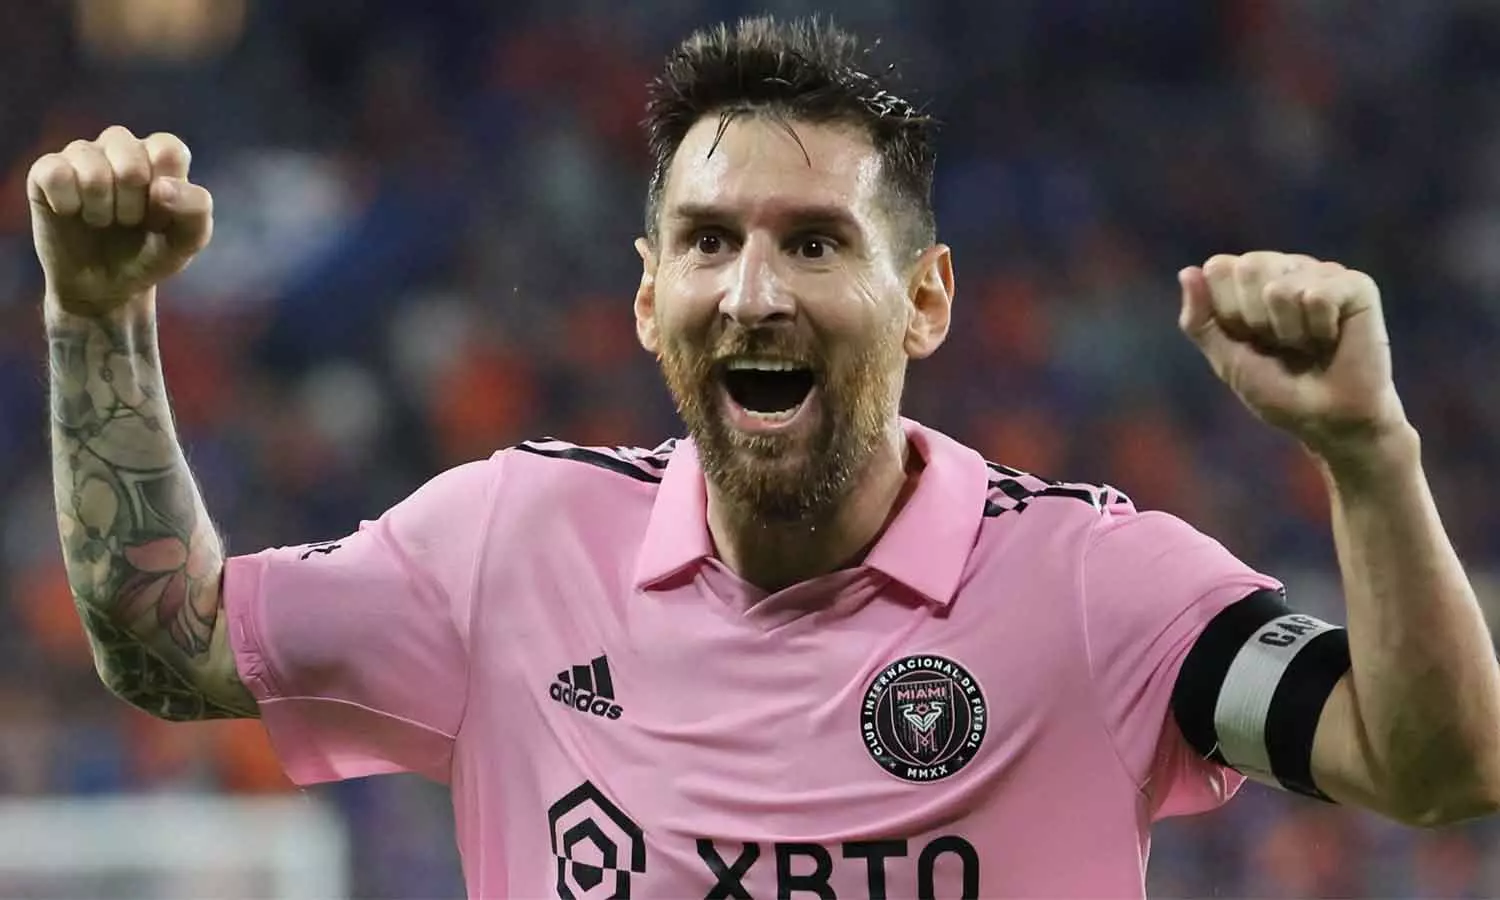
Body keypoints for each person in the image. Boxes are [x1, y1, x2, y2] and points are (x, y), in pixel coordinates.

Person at [31, 15, 1500, 899]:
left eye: (814, 243)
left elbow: (1438, 770)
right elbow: (169, 640)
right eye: (707, 242)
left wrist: (1369, 452)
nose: (752, 292)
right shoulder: (508, 550)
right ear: (645, 297)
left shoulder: (1097, 588)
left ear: (926, 299)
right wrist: (97, 317)